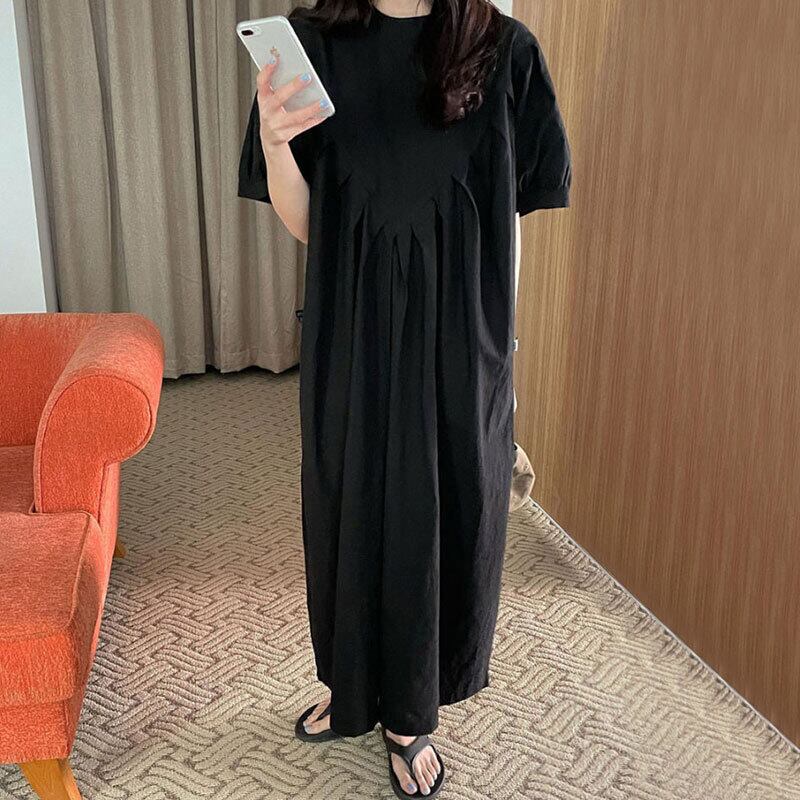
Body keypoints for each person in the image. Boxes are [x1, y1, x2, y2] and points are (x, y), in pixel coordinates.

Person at [237, 0, 571, 796]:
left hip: (460, 333)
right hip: (351, 327)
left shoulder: (505, 49)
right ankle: (352, 684)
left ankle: (412, 711)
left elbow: (512, 216)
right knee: (348, 502)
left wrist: (500, 348)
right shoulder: (311, 44)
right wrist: (277, 144)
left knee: (440, 510)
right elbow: (313, 223)